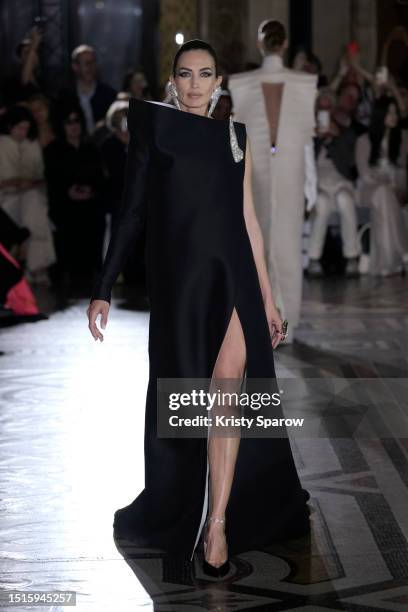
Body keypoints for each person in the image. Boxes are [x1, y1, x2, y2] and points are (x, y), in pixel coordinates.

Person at [87, 39, 310, 575]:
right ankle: (186, 507)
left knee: (227, 393)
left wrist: (268, 296)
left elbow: (249, 224)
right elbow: (132, 211)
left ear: (218, 83)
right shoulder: (154, 128)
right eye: (185, 74)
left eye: (204, 75)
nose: (194, 84)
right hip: (183, 287)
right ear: (173, 81)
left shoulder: (236, 138)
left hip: (233, 279)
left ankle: (218, 525)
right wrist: (104, 284)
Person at [228, 20, 317, 343]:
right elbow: (307, 140)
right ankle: (285, 325)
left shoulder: (242, 83)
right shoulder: (304, 83)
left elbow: (238, 142)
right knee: (288, 247)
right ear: (285, 43)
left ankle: (265, 323)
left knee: (259, 245)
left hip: (258, 171)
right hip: (291, 168)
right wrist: (311, 184)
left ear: (259, 44)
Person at [44, 104, 106, 292]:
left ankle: (91, 271)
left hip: (90, 202)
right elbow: (52, 181)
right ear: (61, 126)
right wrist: (68, 192)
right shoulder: (53, 150)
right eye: (68, 122)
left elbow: (100, 179)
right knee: (68, 216)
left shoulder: (91, 149)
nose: (73, 125)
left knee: (94, 214)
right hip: (63, 203)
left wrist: (90, 190)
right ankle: (68, 272)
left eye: (77, 120)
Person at [0, 105, 55, 284]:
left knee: (33, 203)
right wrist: (19, 183)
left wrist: (25, 183)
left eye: (26, 128)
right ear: (10, 126)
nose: (24, 132)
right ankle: (38, 268)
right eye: (20, 128)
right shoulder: (2, 143)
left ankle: (32, 264)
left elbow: (41, 177)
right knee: (36, 211)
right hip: (6, 201)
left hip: (32, 197)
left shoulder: (32, 144)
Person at [308, 89, 360, 277]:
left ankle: (352, 256)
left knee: (345, 199)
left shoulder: (345, 132)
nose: (324, 110)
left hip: (340, 181)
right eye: (320, 107)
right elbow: (307, 161)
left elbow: (350, 163)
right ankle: (314, 259)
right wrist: (317, 139)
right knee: (321, 204)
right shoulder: (309, 132)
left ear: (333, 108)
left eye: (327, 106)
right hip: (319, 183)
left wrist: (336, 137)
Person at [356, 98, 408, 276]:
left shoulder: (402, 139)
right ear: (380, 115)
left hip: (393, 193)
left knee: (385, 200)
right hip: (370, 191)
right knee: (383, 193)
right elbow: (365, 175)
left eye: (395, 112)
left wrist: (396, 184)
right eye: (390, 112)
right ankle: (403, 251)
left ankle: (387, 264)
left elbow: (403, 173)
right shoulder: (364, 141)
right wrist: (389, 178)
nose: (394, 116)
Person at [61, 45, 117, 135]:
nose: (90, 67)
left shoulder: (108, 94)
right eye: (86, 63)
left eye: (93, 62)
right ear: (75, 66)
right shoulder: (65, 96)